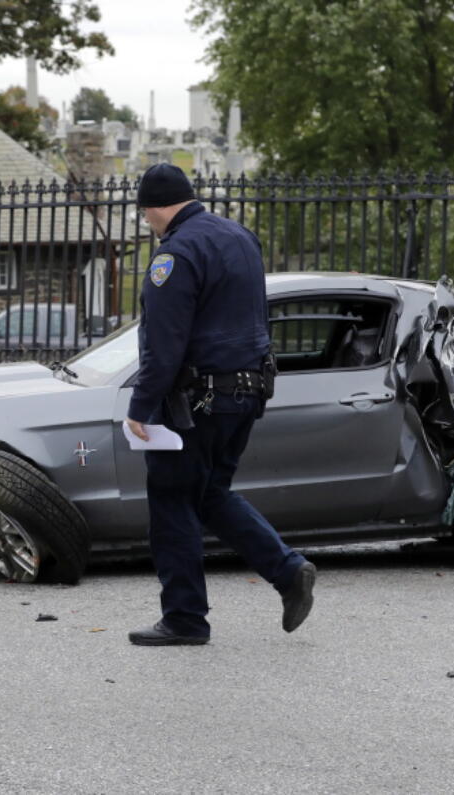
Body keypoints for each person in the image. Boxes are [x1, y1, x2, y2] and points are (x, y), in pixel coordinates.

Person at [125, 163, 315, 647]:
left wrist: (141, 405)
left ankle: (185, 619)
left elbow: (165, 343)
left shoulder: (175, 254)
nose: (147, 222)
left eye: (146, 213)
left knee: (172, 501)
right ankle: (288, 571)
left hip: (196, 399)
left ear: (154, 208)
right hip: (246, 392)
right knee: (209, 493)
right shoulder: (239, 236)